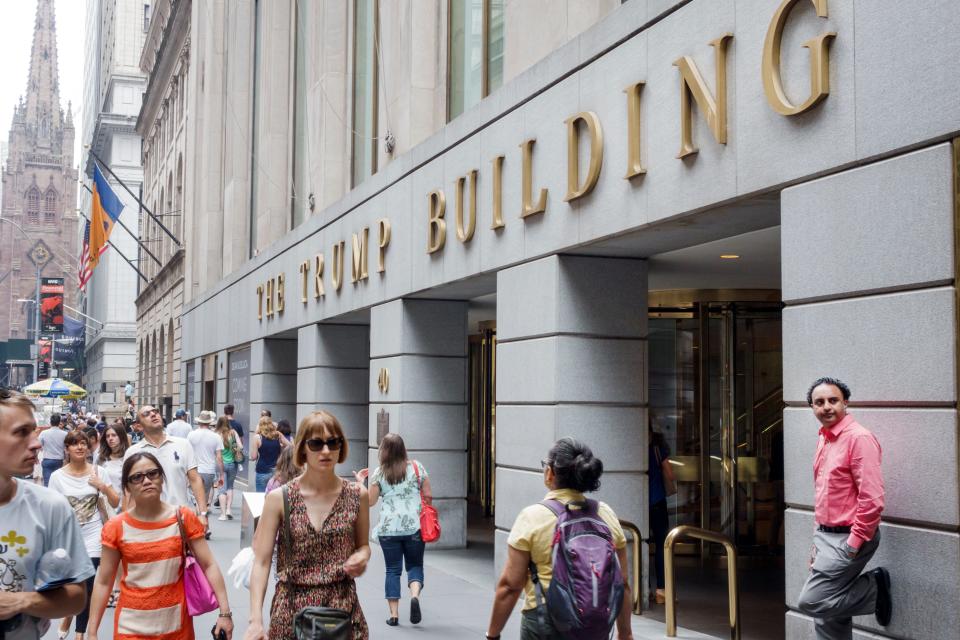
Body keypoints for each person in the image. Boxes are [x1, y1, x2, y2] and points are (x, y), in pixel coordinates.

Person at [486, 438, 633, 640]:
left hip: (544, 621)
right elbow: (622, 582)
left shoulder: (533, 517)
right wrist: (625, 633)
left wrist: (492, 634)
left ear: (550, 472)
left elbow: (510, 586)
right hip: (594, 622)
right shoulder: (605, 513)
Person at [244, 410, 370, 640]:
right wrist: (255, 620)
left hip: (341, 611)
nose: (326, 451)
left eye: (333, 443)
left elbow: (363, 545)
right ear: (302, 447)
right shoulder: (280, 498)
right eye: (316, 443)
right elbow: (261, 562)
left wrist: (362, 557)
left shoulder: (357, 494)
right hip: (291, 612)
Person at [87, 452, 234, 640]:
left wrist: (225, 613)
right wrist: (92, 632)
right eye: (137, 477)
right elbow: (104, 581)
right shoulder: (115, 527)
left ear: (161, 478)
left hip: (176, 628)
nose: (147, 480)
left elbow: (209, 564)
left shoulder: (182, 517)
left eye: (153, 473)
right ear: (127, 487)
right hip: (130, 629)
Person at [797, 377, 891, 639]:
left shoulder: (858, 438)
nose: (826, 407)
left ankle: (874, 588)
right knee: (828, 619)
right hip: (826, 536)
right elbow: (825, 496)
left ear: (845, 402)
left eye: (833, 400)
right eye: (819, 402)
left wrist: (854, 542)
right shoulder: (825, 438)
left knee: (813, 601)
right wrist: (817, 540)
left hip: (850, 536)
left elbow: (872, 498)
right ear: (812, 408)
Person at [0, 389, 94, 639]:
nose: (36, 442)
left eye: (33, 431)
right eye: (21, 432)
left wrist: (21, 602)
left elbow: (76, 598)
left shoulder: (51, 506)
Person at [49, 431, 120, 640]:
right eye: (74, 444)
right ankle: (69, 615)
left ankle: (80, 635)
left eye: (83, 443)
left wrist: (102, 486)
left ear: (88, 448)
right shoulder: (57, 477)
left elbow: (115, 503)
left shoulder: (99, 472)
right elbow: (52, 511)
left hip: (94, 537)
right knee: (74, 586)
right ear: (67, 449)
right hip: (69, 539)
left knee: (87, 584)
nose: (80, 447)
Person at [355, 433, 430, 627]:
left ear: (384, 451)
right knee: (415, 565)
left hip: (389, 528)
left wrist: (359, 483)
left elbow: (370, 502)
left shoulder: (380, 473)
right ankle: (415, 596)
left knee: (392, 570)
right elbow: (428, 494)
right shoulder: (416, 467)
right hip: (413, 526)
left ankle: (394, 615)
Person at [124, 405, 209, 528]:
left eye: (155, 411)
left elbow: (195, 480)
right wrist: (128, 522)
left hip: (181, 518)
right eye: (146, 414)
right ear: (139, 426)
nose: (153, 414)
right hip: (148, 521)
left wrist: (203, 513)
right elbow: (129, 492)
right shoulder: (133, 453)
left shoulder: (183, 445)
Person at [648, 427, 674, 605]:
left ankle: (642, 588)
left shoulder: (635, 448)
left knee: (639, 543)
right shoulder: (658, 448)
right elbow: (670, 474)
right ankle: (661, 591)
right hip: (657, 501)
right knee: (661, 545)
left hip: (640, 503)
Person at [188, 411, 225, 521]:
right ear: (209, 423)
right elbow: (219, 457)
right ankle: (205, 525)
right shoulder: (216, 437)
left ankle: (200, 524)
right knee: (204, 499)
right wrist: (221, 474)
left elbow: (187, 453)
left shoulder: (191, 435)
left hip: (194, 469)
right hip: (209, 471)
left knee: (195, 499)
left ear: (199, 422)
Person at [215, 416, 243, 521]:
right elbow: (241, 446)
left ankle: (223, 514)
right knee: (230, 487)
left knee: (222, 489)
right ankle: (228, 510)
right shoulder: (233, 433)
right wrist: (234, 448)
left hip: (220, 466)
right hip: (232, 465)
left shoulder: (217, 434)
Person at [250, 416, 288, 492]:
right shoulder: (277, 436)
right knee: (275, 496)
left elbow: (253, 457)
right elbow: (290, 446)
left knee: (260, 496)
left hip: (262, 470)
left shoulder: (257, 437)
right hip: (275, 471)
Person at [39, 412, 68, 486]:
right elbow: (66, 449)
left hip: (47, 460)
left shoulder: (43, 433)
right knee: (57, 483)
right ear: (59, 422)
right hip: (59, 461)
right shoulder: (64, 434)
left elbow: (38, 446)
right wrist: (67, 460)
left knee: (47, 483)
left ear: (50, 422)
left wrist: (35, 457)